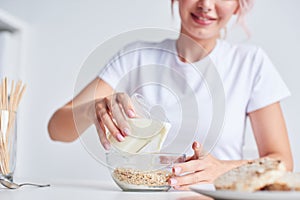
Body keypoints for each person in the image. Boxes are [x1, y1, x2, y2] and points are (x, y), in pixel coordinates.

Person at [48, 0, 293, 190]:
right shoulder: (137, 56)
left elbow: (283, 162)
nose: (206, 5)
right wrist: (93, 109)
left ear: (238, 5)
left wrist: (221, 169)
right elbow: (56, 128)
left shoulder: (250, 63)